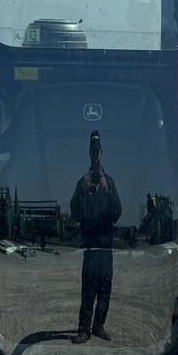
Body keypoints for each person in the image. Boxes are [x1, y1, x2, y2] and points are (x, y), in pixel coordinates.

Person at [69, 131, 122, 343]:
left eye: (97, 152)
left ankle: (99, 325)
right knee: (88, 289)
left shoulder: (110, 182)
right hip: (90, 247)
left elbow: (117, 213)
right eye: (92, 152)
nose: (95, 156)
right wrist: (82, 191)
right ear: (89, 154)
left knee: (105, 289)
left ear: (102, 153)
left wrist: (108, 192)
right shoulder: (82, 182)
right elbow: (74, 213)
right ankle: (84, 329)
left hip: (106, 246)